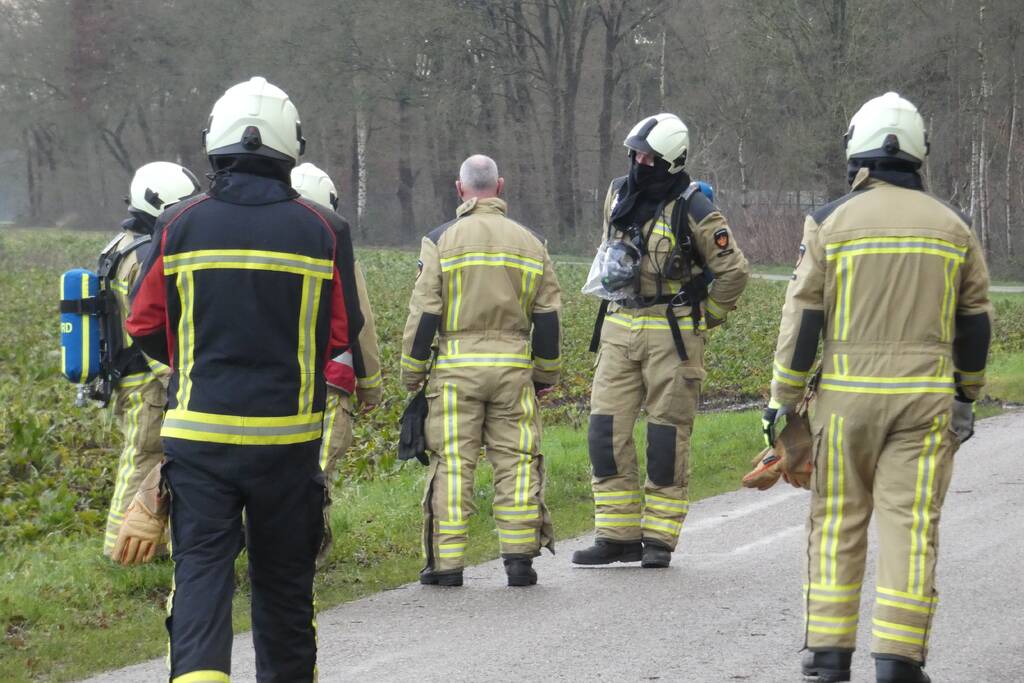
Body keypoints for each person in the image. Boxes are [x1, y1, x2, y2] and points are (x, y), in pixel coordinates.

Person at [126, 76, 363, 682]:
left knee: (202, 575)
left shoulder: (178, 223)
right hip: (286, 442)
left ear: (216, 142)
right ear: (291, 147)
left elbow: (144, 321)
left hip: (199, 438)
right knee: (285, 585)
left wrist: (195, 360)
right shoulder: (324, 230)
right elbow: (341, 331)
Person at [764, 92, 991, 683]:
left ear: (858, 151)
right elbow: (974, 322)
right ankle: (898, 661)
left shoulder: (831, 221)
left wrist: (783, 403)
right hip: (924, 404)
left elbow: (803, 319)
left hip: (844, 405)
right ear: (918, 154)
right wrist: (966, 394)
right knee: (911, 524)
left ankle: (827, 655)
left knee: (837, 519)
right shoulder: (954, 227)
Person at [573, 113, 750, 568]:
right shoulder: (618, 193)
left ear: (670, 162)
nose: (638, 161)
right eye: (634, 152)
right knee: (604, 432)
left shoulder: (693, 207)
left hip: (672, 334)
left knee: (666, 439)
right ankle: (616, 535)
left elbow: (733, 270)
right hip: (618, 326)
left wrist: (706, 317)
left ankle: (658, 539)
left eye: (648, 156)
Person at [401, 154, 561, 587]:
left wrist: (412, 373)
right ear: (500, 186)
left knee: (454, 465)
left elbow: (426, 312)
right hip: (512, 370)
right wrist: (544, 375)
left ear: (459, 189)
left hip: (455, 372)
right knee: (516, 463)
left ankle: (448, 566)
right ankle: (519, 561)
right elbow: (547, 315)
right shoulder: (532, 242)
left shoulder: (439, 240)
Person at [102, 161, 198, 559]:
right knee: (143, 459)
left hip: (127, 375)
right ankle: (120, 552)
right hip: (146, 380)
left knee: (144, 458)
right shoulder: (144, 254)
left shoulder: (119, 246)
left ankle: (149, 547)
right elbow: (148, 328)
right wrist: (177, 379)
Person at [291, 162, 382, 530]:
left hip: (273, 384)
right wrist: (371, 385)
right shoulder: (337, 252)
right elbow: (361, 324)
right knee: (313, 475)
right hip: (330, 383)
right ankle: (300, 554)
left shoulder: (254, 246)